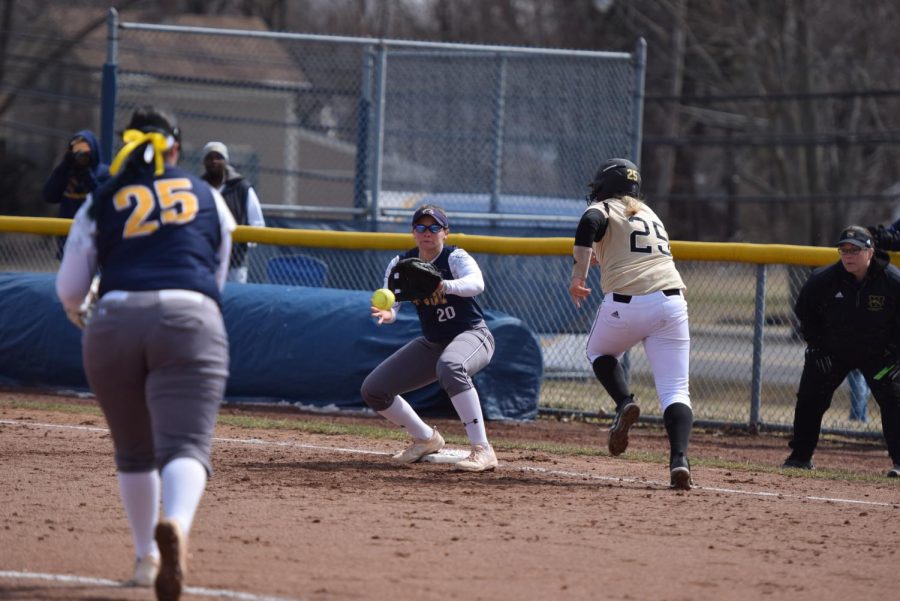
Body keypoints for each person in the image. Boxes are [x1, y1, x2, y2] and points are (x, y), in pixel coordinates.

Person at [55, 106, 236, 600]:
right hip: (190, 315)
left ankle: (144, 559)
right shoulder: (208, 196)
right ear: (176, 148)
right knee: (186, 445)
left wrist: (85, 315)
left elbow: (71, 290)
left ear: (128, 147)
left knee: (134, 450)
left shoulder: (102, 198)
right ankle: (175, 524)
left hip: (114, 320)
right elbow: (215, 276)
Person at [568, 158, 694, 490]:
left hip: (628, 302)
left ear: (605, 186)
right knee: (675, 391)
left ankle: (625, 401)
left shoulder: (603, 207)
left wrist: (578, 275)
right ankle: (679, 460)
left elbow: (588, 225)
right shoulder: (649, 213)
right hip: (672, 303)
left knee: (598, 352)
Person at [360, 204, 498, 472]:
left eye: (434, 227)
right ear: (413, 232)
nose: (427, 232)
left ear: (445, 232)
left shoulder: (454, 257)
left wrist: (443, 285)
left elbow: (476, 284)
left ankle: (483, 449)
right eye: (421, 227)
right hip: (434, 343)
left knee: (451, 366)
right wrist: (389, 314)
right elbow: (393, 303)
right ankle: (426, 438)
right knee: (373, 390)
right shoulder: (401, 264)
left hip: (472, 334)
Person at [783, 225, 900, 477]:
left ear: (870, 252)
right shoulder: (824, 280)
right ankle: (800, 457)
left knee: (894, 398)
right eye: (844, 250)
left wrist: (896, 356)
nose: (848, 255)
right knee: (810, 397)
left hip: (878, 356)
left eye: (855, 250)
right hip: (832, 353)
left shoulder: (892, 281)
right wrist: (815, 346)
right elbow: (804, 311)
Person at [200, 141, 265, 283]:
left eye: (218, 157)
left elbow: (257, 223)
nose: (214, 161)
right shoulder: (198, 188)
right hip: (204, 260)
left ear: (226, 161)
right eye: (209, 157)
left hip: (235, 264)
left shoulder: (242, 187)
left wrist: (239, 248)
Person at [42, 129, 110, 257]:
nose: (81, 156)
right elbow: (49, 196)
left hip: (95, 239)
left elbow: (105, 201)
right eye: (76, 149)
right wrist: (64, 165)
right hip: (68, 239)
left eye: (85, 150)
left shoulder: (104, 173)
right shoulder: (66, 172)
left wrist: (87, 176)